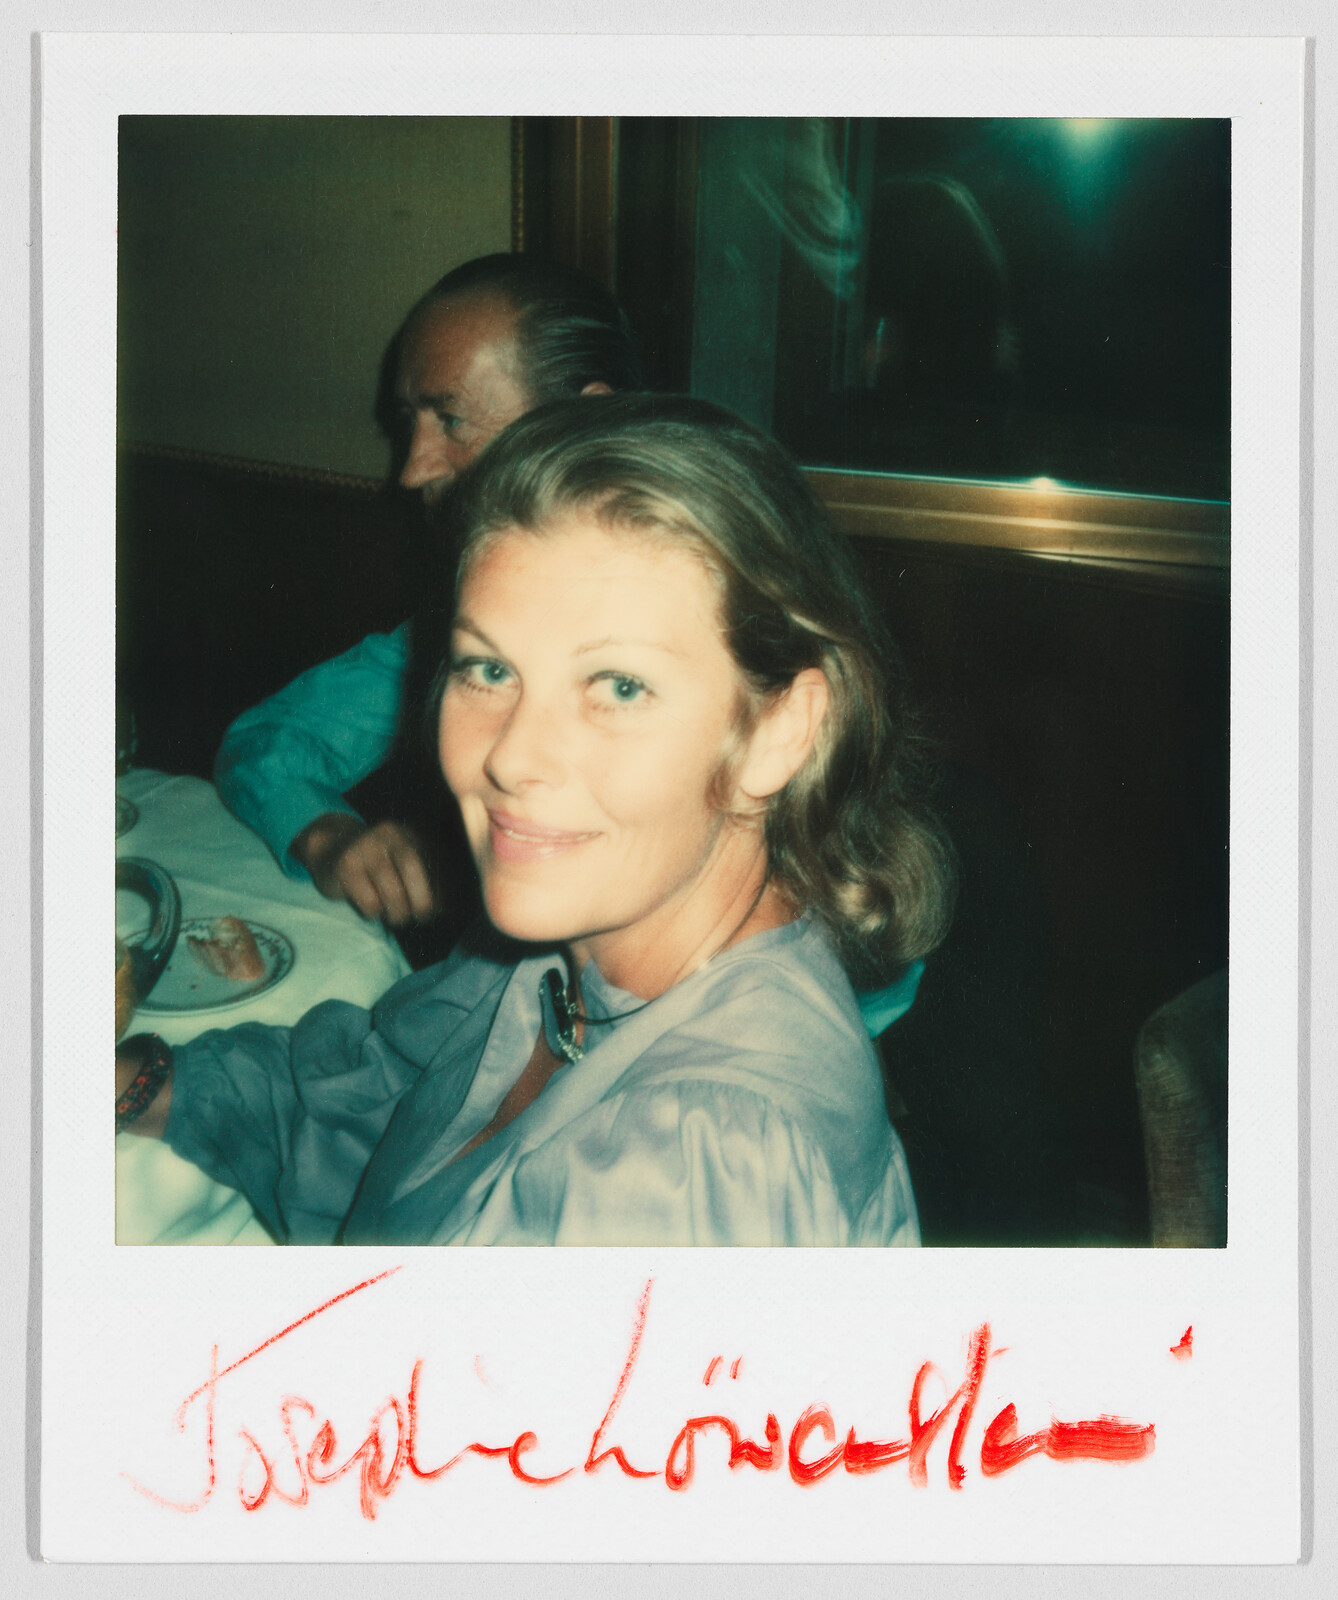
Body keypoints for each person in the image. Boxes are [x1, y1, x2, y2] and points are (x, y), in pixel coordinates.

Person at [115, 396, 954, 1247]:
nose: (512, 757)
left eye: (619, 687)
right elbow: (354, 1106)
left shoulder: (689, 1166)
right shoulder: (570, 957)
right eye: (487, 668)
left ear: (778, 734)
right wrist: (124, 1081)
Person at [213, 254, 644, 928]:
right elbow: (268, 738)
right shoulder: (461, 627)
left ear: (583, 423)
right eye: (410, 421)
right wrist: (328, 836)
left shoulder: (688, 640)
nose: (412, 471)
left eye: (452, 421)